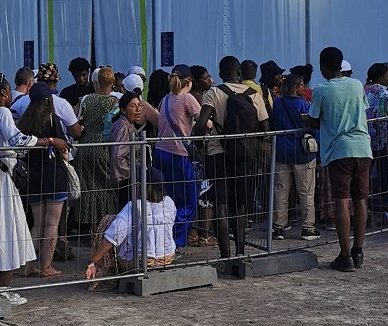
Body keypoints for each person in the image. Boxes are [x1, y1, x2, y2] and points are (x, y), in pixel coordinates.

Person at [0, 74, 66, 304]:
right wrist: (51, 141)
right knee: (5, 229)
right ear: (5, 92)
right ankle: (3, 289)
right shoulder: (3, 113)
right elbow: (18, 140)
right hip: (0, 177)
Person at [195, 55, 270, 260]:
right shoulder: (255, 94)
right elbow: (265, 128)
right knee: (240, 205)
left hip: (218, 153)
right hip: (245, 155)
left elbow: (201, 123)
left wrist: (198, 142)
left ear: (220, 74)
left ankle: (225, 256)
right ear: (239, 73)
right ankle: (240, 252)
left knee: (221, 205)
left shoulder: (214, 92)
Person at [307, 46, 373, 272]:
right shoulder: (356, 84)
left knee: (342, 201)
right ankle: (359, 249)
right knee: (361, 199)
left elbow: (314, 120)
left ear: (323, 67)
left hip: (338, 149)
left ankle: (344, 255)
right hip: (363, 147)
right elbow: (362, 109)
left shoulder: (321, 90)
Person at [17, 82, 74, 278]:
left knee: (37, 223)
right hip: (54, 174)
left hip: (33, 176)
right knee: (52, 223)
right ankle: (46, 266)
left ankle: (28, 264)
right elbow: (63, 147)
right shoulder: (52, 119)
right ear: (49, 100)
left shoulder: (24, 122)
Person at [84, 168, 176, 288]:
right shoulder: (169, 202)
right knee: (130, 226)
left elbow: (114, 235)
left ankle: (105, 271)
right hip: (167, 258)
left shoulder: (134, 206)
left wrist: (93, 260)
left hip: (141, 262)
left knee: (109, 221)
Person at [152, 65, 201, 248]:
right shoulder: (188, 98)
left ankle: (164, 238)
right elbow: (206, 121)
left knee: (168, 199)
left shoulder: (164, 99)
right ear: (189, 82)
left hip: (160, 151)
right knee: (188, 200)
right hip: (177, 153)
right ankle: (176, 240)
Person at [269, 73, 318, 241]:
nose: (304, 87)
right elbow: (311, 126)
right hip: (302, 152)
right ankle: (307, 227)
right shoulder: (303, 105)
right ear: (296, 87)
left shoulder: (277, 103)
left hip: (282, 151)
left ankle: (278, 227)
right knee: (306, 191)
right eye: (302, 85)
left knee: (281, 191)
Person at [75, 67, 120, 233]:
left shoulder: (85, 99)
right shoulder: (115, 101)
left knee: (87, 187)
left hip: (86, 145)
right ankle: (104, 229)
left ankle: (91, 228)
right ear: (113, 82)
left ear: (97, 82)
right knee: (106, 187)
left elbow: (74, 119)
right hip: (105, 146)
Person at [110, 88, 161, 208]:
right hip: (126, 180)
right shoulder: (122, 127)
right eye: (133, 106)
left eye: (139, 105)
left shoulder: (128, 124)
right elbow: (117, 156)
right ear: (123, 110)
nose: (138, 109)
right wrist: (133, 173)